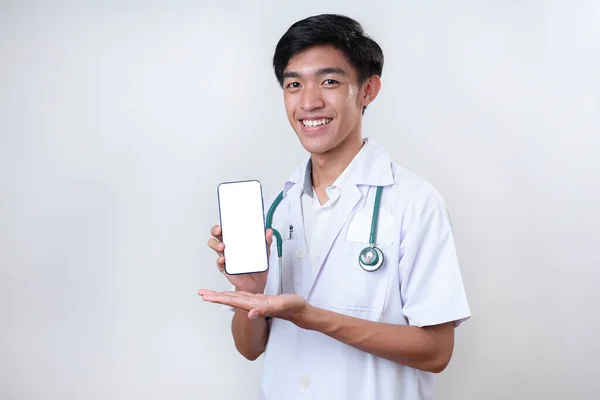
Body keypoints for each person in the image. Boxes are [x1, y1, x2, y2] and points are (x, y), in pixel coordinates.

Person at [199, 13, 471, 400]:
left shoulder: (413, 201)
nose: (309, 102)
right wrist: (251, 293)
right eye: (294, 84)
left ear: (367, 90)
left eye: (329, 81)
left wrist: (312, 318)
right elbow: (250, 348)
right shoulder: (279, 208)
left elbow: (436, 351)